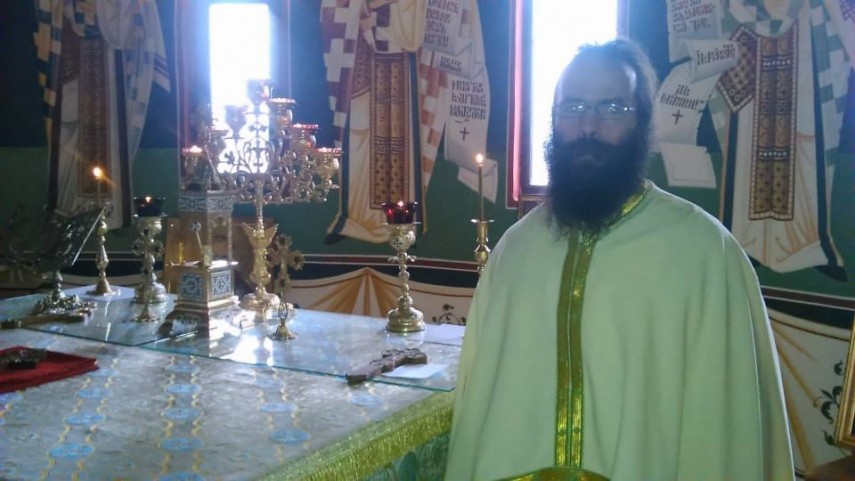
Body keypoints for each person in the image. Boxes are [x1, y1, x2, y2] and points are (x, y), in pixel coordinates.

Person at [444, 39, 795, 481]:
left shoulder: (704, 253)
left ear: (643, 121)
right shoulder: (515, 251)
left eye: (612, 108)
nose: (588, 126)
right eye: (572, 108)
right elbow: (481, 408)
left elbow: (727, 430)